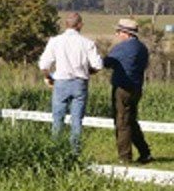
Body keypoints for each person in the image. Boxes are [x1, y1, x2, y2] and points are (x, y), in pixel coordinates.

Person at [39, 12, 102, 152]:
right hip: (80, 82)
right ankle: (75, 151)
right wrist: (87, 72)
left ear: (66, 24)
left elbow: (44, 65)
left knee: (57, 119)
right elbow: (97, 65)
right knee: (77, 120)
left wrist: (49, 77)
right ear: (80, 25)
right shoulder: (87, 43)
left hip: (61, 82)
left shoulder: (55, 41)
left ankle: (55, 150)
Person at [104, 19, 152, 164]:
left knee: (122, 122)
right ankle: (145, 152)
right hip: (137, 87)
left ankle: (124, 158)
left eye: (119, 31)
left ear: (126, 33)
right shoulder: (142, 48)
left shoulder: (122, 47)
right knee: (131, 120)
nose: (117, 34)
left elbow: (106, 63)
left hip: (122, 88)